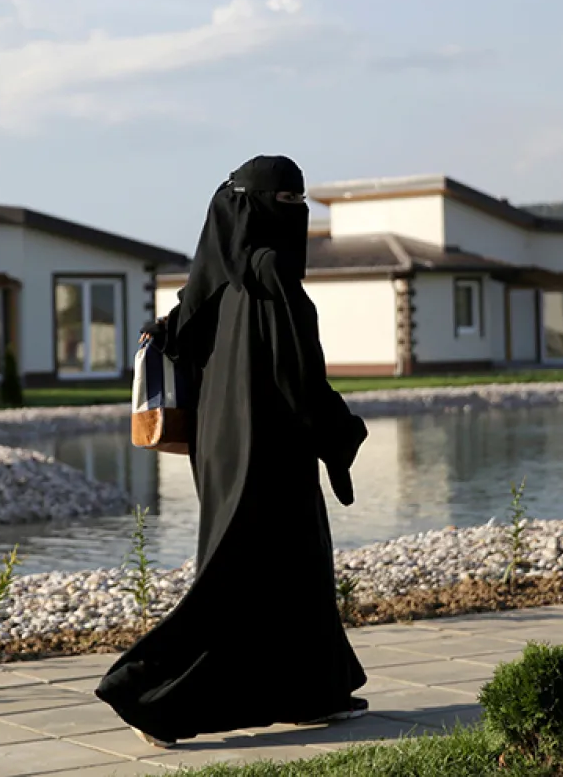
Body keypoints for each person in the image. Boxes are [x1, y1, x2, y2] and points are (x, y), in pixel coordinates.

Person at [95, 155, 370, 748]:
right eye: (288, 204)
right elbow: (301, 384)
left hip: (222, 448)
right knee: (245, 575)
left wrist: (165, 327)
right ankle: (149, 694)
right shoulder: (272, 279)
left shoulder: (213, 283)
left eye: (301, 202)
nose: (295, 215)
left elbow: (183, 328)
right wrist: (343, 432)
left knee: (286, 570)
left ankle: (315, 691)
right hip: (267, 453)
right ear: (263, 210)